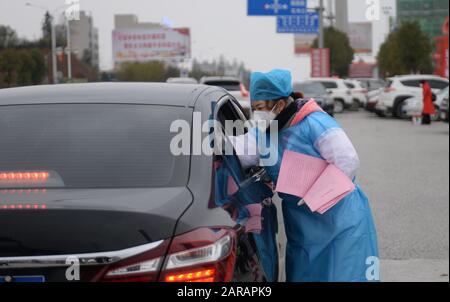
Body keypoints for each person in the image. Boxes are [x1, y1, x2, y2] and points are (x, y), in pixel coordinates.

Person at [239, 69, 379, 282]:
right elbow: (241, 152)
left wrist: (319, 193)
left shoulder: (313, 122)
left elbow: (347, 159)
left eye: (260, 108)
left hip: (340, 220)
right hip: (303, 224)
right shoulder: (263, 130)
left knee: (343, 274)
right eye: (254, 108)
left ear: (280, 104)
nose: (257, 114)